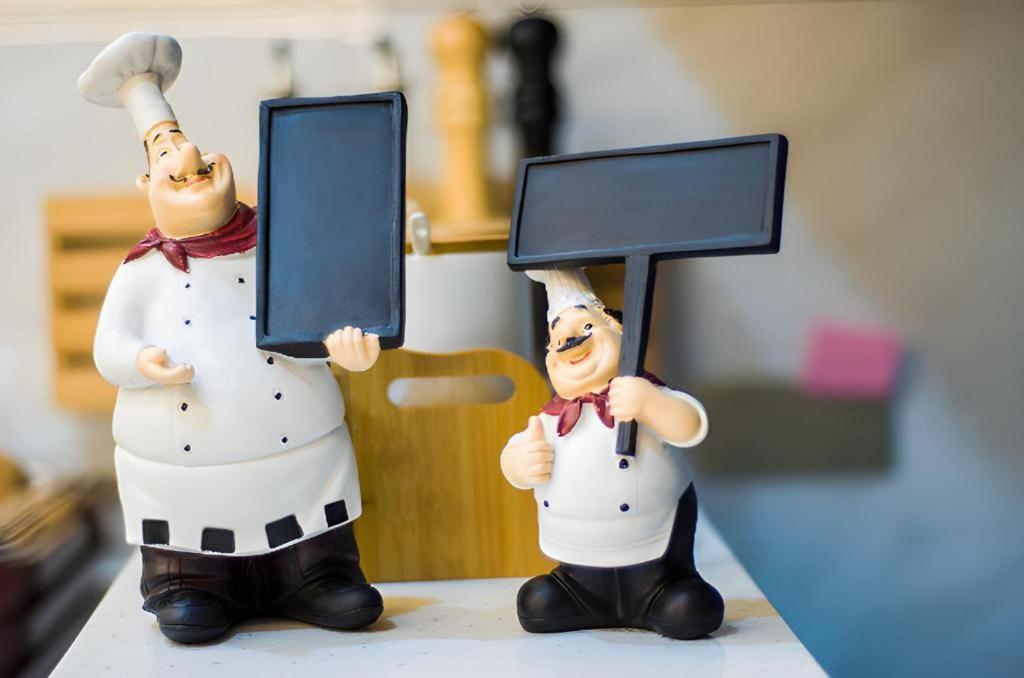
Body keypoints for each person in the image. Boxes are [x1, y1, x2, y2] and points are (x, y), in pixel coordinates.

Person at [81, 32, 384, 643]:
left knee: (307, 521)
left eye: (191, 150)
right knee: (193, 535)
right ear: (147, 183)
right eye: (165, 152)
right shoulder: (144, 269)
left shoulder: (283, 247)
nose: (187, 158)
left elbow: (323, 314)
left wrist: (347, 347)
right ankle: (191, 585)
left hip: (298, 450)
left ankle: (315, 577)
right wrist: (141, 361)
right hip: (183, 465)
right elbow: (108, 343)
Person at [500, 268, 724, 639]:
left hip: (656, 565)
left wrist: (650, 404)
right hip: (579, 573)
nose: (569, 341)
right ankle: (577, 598)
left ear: (621, 333)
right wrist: (520, 463)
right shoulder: (551, 419)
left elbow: (690, 426)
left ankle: (663, 594)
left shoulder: (644, 395)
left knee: (688, 609)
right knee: (537, 603)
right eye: (557, 339)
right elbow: (512, 454)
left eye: (586, 327)